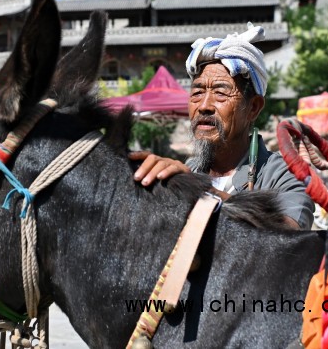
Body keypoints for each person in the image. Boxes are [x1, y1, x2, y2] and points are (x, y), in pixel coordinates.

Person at [130, 23, 314, 230]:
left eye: (220, 93)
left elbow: (289, 232)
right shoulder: (189, 170)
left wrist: (201, 191)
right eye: (197, 93)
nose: (204, 106)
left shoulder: (282, 173)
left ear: (253, 107)